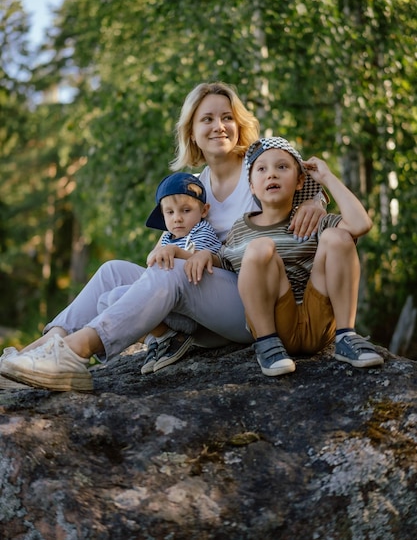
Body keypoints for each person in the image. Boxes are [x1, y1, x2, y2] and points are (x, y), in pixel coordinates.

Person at [0, 83, 327, 392]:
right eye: (207, 119)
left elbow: (303, 180)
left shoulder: (258, 168)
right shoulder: (194, 185)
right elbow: (164, 249)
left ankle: (75, 353)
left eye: (227, 117)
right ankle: (36, 354)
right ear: (192, 132)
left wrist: (316, 201)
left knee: (172, 273)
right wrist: (164, 253)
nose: (219, 126)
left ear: (239, 124)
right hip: (202, 298)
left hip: (251, 304)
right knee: (114, 270)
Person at [184, 136, 383, 376]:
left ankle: (346, 336)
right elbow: (226, 262)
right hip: (276, 322)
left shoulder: (313, 221)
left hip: (318, 321)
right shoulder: (241, 228)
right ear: (252, 186)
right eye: (262, 169)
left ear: (300, 181)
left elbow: (361, 224)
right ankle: (266, 343)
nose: (272, 174)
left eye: (282, 167)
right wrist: (203, 255)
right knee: (259, 248)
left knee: (338, 237)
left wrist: (326, 177)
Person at [141, 171, 222, 374]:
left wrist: (174, 252)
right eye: (169, 213)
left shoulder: (202, 230)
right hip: (169, 303)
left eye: (186, 210)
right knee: (113, 297)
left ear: (204, 210)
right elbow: (151, 263)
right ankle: (160, 338)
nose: (177, 218)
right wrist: (158, 253)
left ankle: (175, 336)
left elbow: (198, 258)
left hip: (193, 304)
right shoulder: (168, 237)